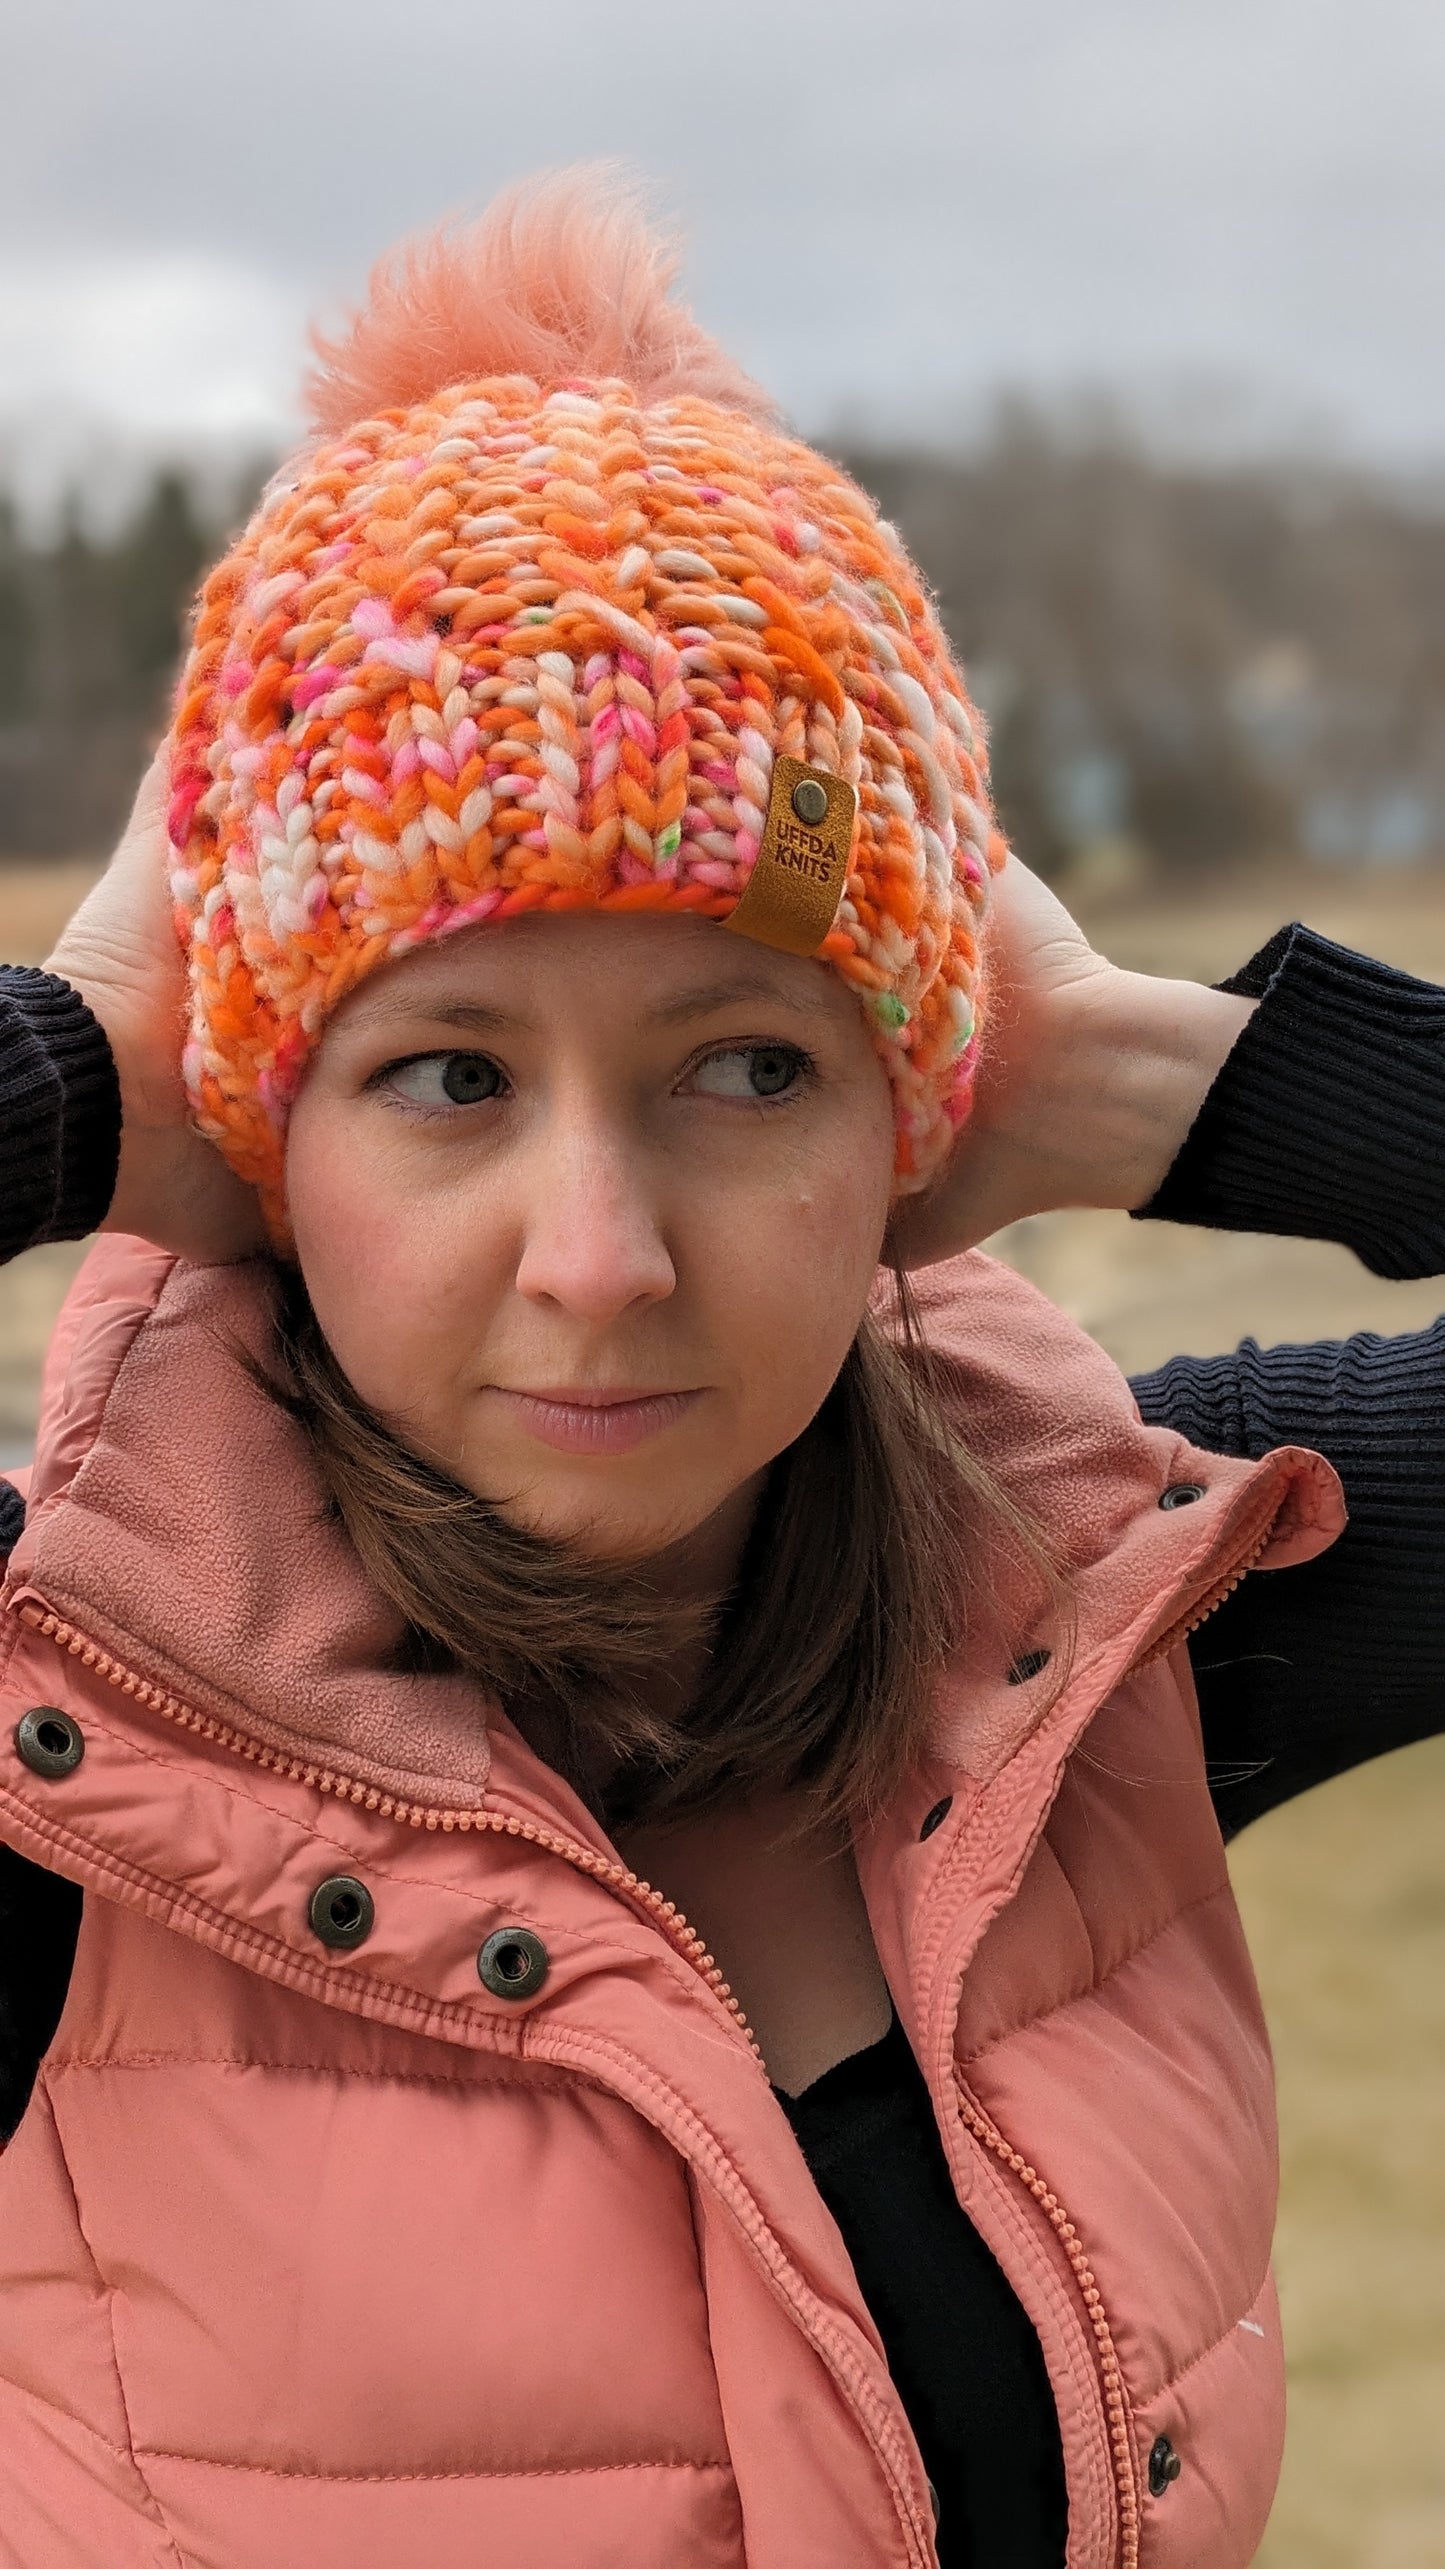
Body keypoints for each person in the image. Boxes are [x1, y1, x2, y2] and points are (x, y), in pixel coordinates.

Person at [0, 165, 1440, 2569]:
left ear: (917, 1115)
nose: (603, 1258)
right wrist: (66, 1065)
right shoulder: (65, 1758)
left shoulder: (1124, 1614)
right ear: (252, 1137)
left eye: (748, 1068)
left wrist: (1178, 1076)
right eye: (446, 1074)